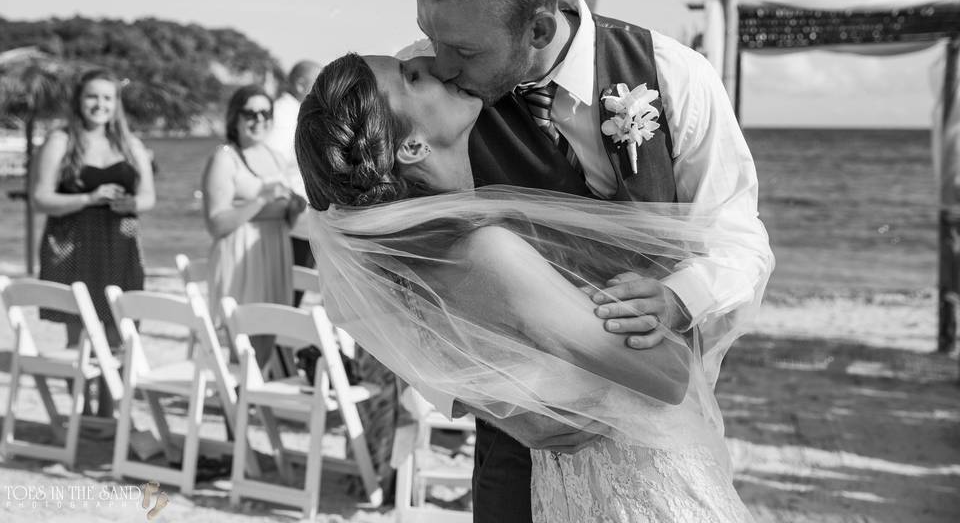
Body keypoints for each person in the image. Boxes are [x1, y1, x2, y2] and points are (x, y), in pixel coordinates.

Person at [295, 53, 771, 522]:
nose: (435, 63)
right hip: (644, 485)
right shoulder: (486, 252)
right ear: (412, 147)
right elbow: (667, 374)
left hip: (572, 487)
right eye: (414, 76)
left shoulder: (425, 256)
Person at [34, 68, 156, 417]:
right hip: (71, 243)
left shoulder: (129, 143)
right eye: (92, 96)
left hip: (122, 244)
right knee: (79, 338)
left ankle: (107, 414)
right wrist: (90, 197)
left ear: (116, 103)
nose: (99, 104)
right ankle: (81, 415)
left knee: (120, 334)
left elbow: (149, 197)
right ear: (79, 100)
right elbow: (40, 198)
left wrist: (131, 204)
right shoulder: (61, 140)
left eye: (107, 97)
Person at [201, 84, 306, 368]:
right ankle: (236, 410)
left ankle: (251, 408)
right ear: (235, 116)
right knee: (242, 347)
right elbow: (216, 223)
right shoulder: (224, 158)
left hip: (275, 251)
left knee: (267, 341)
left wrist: (294, 208)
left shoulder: (275, 157)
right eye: (250, 113)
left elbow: (283, 217)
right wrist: (261, 199)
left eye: (265, 113)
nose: (259, 120)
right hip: (239, 257)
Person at [265, 59, 322, 305]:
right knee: (290, 289)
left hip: (298, 214)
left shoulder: (291, 112)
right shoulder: (284, 116)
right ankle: (282, 338)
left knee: (293, 287)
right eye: (317, 83)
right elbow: (270, 165)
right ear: (301, 84)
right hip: (294, 216)